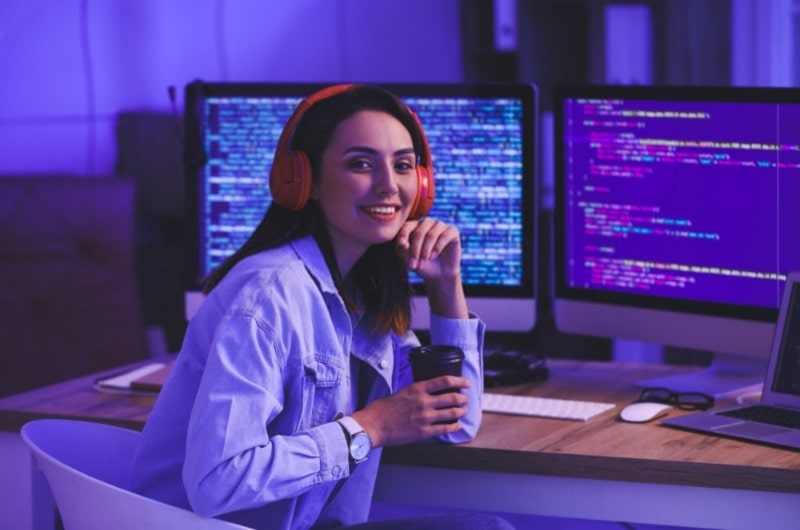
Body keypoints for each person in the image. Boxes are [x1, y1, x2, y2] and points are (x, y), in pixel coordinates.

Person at [131, 84, 513, 530]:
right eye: (361, 164)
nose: (389, 185)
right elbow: (217, 482)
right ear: (305, 182)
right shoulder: (268, 295)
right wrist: (368, 428)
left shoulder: (362, 290)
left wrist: (447, 285)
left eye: (404, 165)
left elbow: (454, 422)